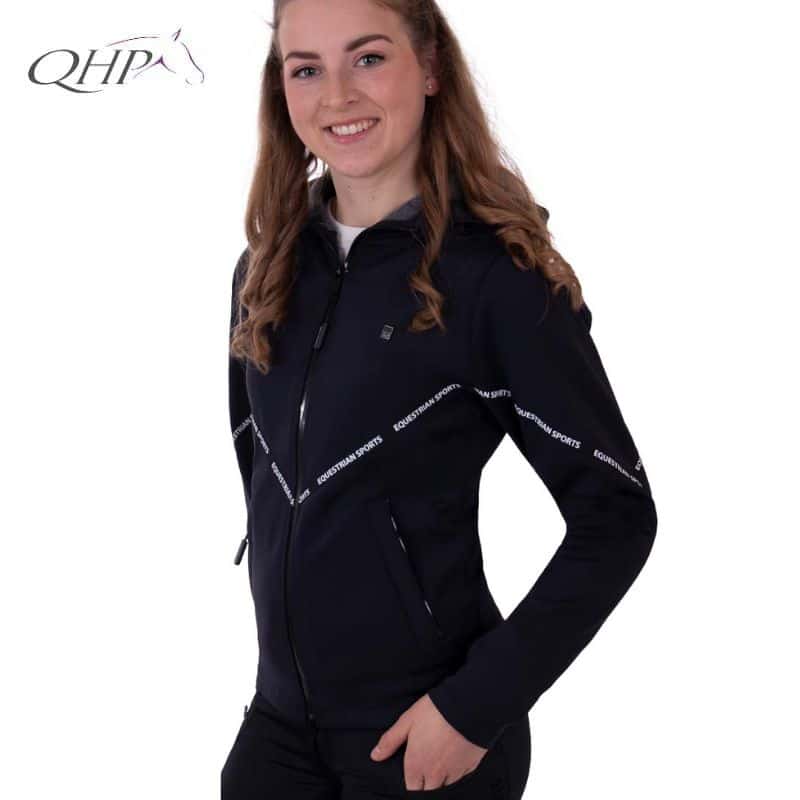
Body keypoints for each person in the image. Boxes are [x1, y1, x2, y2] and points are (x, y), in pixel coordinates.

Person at [222, 0, 658, 797]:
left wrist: (477, 706)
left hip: (425, 735)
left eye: (369, 58)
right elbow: (263, 463)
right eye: (306, 69)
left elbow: (617, 515)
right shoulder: (267, 268)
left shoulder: (496, 281)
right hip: (279, 727)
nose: (337, 95)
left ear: (429, 68)